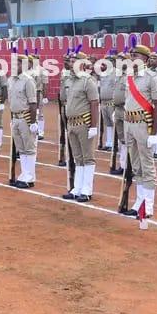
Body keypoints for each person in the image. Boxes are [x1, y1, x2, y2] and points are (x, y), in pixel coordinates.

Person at [118, 44, 157, 216]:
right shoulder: (128, 76)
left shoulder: (152, 78)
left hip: (144, 124)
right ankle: (138, 202)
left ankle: (148, 205)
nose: (132, 58)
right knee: (136, 165)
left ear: (144, 58)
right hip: (129, 122)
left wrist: (154, 132)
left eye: (135, 55)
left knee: (147, 164)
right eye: (131, 55)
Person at [61, 53, 100, 202]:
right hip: (71, 123)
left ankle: (87, 190)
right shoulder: (69, 80)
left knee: (87, 157)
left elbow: (94, 103)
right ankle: (77, 188)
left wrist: (94, 126)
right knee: (77, 157)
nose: (71, 64)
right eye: (70, 61)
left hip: (84, 122)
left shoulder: (87, 81)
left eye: (74, 61)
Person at [8, 59, 39, 189]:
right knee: (21, 149)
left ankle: (30, 176)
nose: (15, 66)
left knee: (29, 148)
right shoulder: (11, 80)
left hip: (25, 117)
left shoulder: (28, 81)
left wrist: (32, 122)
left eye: (18, 64)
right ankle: (24, 173)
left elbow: (32, 103)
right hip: (15, 117)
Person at [98, 50, 118, 153]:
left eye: (110, 60)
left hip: (112, 102)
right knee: (108, 124)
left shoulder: (116, 73)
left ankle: (116, 143)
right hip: (103, 102)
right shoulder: (103, 73)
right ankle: (109, 142)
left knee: (115, 123)